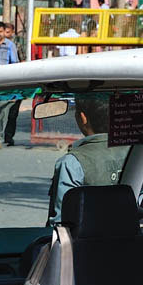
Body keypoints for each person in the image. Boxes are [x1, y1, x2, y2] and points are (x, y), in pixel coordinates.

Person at [46, 96, 131, 224]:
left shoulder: (71, 162)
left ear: (83, 118)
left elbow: (62, 221)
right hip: (129, 237)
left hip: (84, 242)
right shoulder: (135, 151)